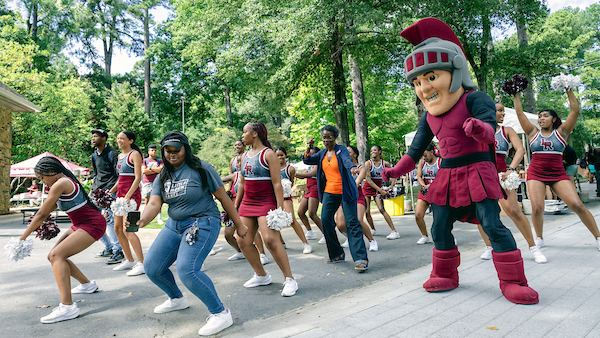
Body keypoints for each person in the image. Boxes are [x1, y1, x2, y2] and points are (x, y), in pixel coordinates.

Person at [382, 17, 538, 304]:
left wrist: (478, 128)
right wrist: (394, 171)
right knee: (439, 225)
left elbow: (490, 129)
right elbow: (414, 151)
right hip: (447, 174)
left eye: (430, 77)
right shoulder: (429, 117)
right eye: (417, 81)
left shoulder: (475, 98)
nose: (424, 87)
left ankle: (513, 281)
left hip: (478, 170)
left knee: (491, 224)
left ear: (456, 71)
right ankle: (445, 274)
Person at [136, 132, 246, 336]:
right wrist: (142, 220)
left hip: (202, 221)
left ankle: (221, 313)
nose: (172, 155)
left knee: (188, 270)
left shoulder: (201, 168)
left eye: (176, 150)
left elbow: (223, 197)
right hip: (174, 225)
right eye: (167, 151)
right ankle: (177, 298)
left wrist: (239, 224)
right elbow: (154, 202)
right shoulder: (163, 174)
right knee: (152, 267)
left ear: (186, 148)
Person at [20, 156, 106, 323]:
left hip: (92, 224)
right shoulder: (60, 183)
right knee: (54, 255)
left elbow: (42, 214)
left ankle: (67, 307)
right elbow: (46, 211)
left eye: (42, 177)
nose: (43, 182)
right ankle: (87, 285)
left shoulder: (61, 183)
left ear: (51, 171)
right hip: (80, 224)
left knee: (56, 256)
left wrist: (22, 239)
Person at [514, 86, 600, 250]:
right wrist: (516, 93)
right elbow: (519, 113)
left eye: (545, 116)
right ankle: (539, 238)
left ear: (554, 119)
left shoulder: (562, 132)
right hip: (536, 173)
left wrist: (568, 89)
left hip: (558, 174)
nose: (541, 119)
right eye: (539, 117)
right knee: (538, 207)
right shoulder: (532, 132)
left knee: (578, 205)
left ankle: (598, 237)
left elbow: (575, 110)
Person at [235, 120, 299, 296]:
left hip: (265, 202)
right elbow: (241, 183)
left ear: (254, 133)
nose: (242, 135)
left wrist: (279, 208)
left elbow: (277, 183)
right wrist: (236, 205)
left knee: (270, 239)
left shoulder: (268, 154)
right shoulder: (244, 156)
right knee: (242, 240)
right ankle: (261, 275)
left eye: (245, 132)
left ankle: (290, 279)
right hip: (247, 203)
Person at [477, 102, 547, 264]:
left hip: (502, 176)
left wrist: (511, 168)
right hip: (482, 176)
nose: (503, 114)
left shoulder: (507, 130)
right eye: (499, 111)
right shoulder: (478, 131)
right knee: (482, 214)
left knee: (514, 211)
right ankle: (489, 247)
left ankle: (533, 248)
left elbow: (521, 149)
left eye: (503, 111)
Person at [303, 125, 369, 272]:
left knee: (352, 222)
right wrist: (309, 147)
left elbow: (346, 161)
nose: (326, 140)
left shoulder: (341, 150)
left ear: (335, 137)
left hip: (346, 191)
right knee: (326, 220)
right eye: (324, 137)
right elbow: (307, 161)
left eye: (329, 137)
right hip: (329, 192)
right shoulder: (321, 154)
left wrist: (352, 168)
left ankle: (361, 258)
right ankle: (337, 254)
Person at [221, 155, 270, 265]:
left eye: (240, 162)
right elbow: (219, 181)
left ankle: (262, 254)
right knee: (228, 234)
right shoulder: (235, 175)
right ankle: (240, 252)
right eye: (237, 162)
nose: (238, 164)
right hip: (234, 208)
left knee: (252, 231)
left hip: (248, 208)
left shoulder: (251, 176)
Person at [109, 131, 145, 276]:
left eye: (122, 138)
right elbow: (121, 179)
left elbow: (137, 178)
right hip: (120, 196)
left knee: (128, 229)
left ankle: (141, 263)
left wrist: (128, 196)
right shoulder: (119, 156)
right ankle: (129, 260)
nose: (119, 140)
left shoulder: (134, 154)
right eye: (118, 138)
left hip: (132, 196)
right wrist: (109, 192)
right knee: (117, 228)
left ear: (130, 140)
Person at [90, 129, 124, 265]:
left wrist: (111, 191)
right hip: (96, 193)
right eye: (92, 136)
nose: (93, 139)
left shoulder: (112, 154)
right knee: (92, 221)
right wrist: (91, 192)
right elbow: (96, 175)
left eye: (96, 136)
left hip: (109, 193)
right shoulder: (93, 156)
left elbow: (120, 175)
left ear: (104, 138)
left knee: (110, 221)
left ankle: (118, 251)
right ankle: (108, 247)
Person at [336, 145, 378, 252]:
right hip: (344, 197)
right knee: (340, 224)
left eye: (349, 152)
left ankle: (372, 240)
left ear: (355, 154)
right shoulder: (342, 168)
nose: (346, 154)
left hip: (357, 196)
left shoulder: (361, 168)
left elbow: (356, 183)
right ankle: (350, 237)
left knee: (358, 220)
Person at [275, 146, 312, 254]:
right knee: (273, 220)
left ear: (285, 155)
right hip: (274, 197)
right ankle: (281, 242)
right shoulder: (272, 168)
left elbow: (291, 182)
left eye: (281, 155)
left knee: (291, 219)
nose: (280, 157)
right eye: (277, 156)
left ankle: (306, 244)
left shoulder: (290, 169)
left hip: (286, 197)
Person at [363, 145, 400, 240]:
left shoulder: (385, 164)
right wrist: (380, 190)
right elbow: (369, 180)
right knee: (367, 211)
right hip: (368, 188)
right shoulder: (368, 163)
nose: (372, 152)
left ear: (380, 151)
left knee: (381, 208)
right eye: (371, 151)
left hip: (378, 189)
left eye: (375, 150)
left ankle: (394, 231)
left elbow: (394, 174)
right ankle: (373, 229)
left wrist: (391, 186)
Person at [296, 147, 325, 243]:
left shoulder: (318, 164)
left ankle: (326, 234)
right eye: (309, 155)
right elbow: (302, 175)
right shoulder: (309, 166)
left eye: (313, 154)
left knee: (312, 213)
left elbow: (310, 174)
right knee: (300, 212)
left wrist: (295, 174)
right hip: (309, 190)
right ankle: (310, 232)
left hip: (315, 189)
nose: (310, 156)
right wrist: (292, 173)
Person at [414, 143, 438, 245]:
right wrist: (424, 185)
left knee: (440, 218)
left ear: (432, 152)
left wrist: (431, 186)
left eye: (425, 155)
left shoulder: (440, 161)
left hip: (438, 191)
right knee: (418, 215)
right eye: (422, 155)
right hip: (425, 190)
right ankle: (425, 236)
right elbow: (419, 176)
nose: (423, 157)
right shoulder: (422, 162)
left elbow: (444, 177)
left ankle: (448, 236)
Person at [142, 144, 163, 224]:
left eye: (155, 150)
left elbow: (161, 170)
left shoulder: (159, 161)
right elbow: (144, 171)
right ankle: (145, 218)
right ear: (148, 151)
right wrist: (155, 170)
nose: (154, 152)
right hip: (147, 182)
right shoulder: (145, 161)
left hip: (157, 182)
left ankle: (159, 218)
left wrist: (150, 169)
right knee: (147, 200)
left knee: (158, 200)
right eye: (152, 150)